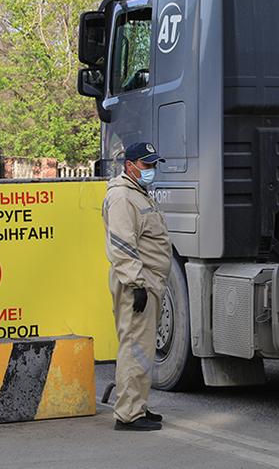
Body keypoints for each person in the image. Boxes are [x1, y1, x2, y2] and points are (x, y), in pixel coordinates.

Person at [103, 142, 172, 431]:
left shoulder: (137, 193)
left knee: (141, 347)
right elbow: (121, 244)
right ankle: (128, 415)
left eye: (154, 164)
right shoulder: (122, 197)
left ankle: (137, 405)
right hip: (137, 283)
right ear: (129, 166)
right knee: (135, 348)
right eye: (146, 165)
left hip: (148, 281)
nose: (151, 170)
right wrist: (136, 283)